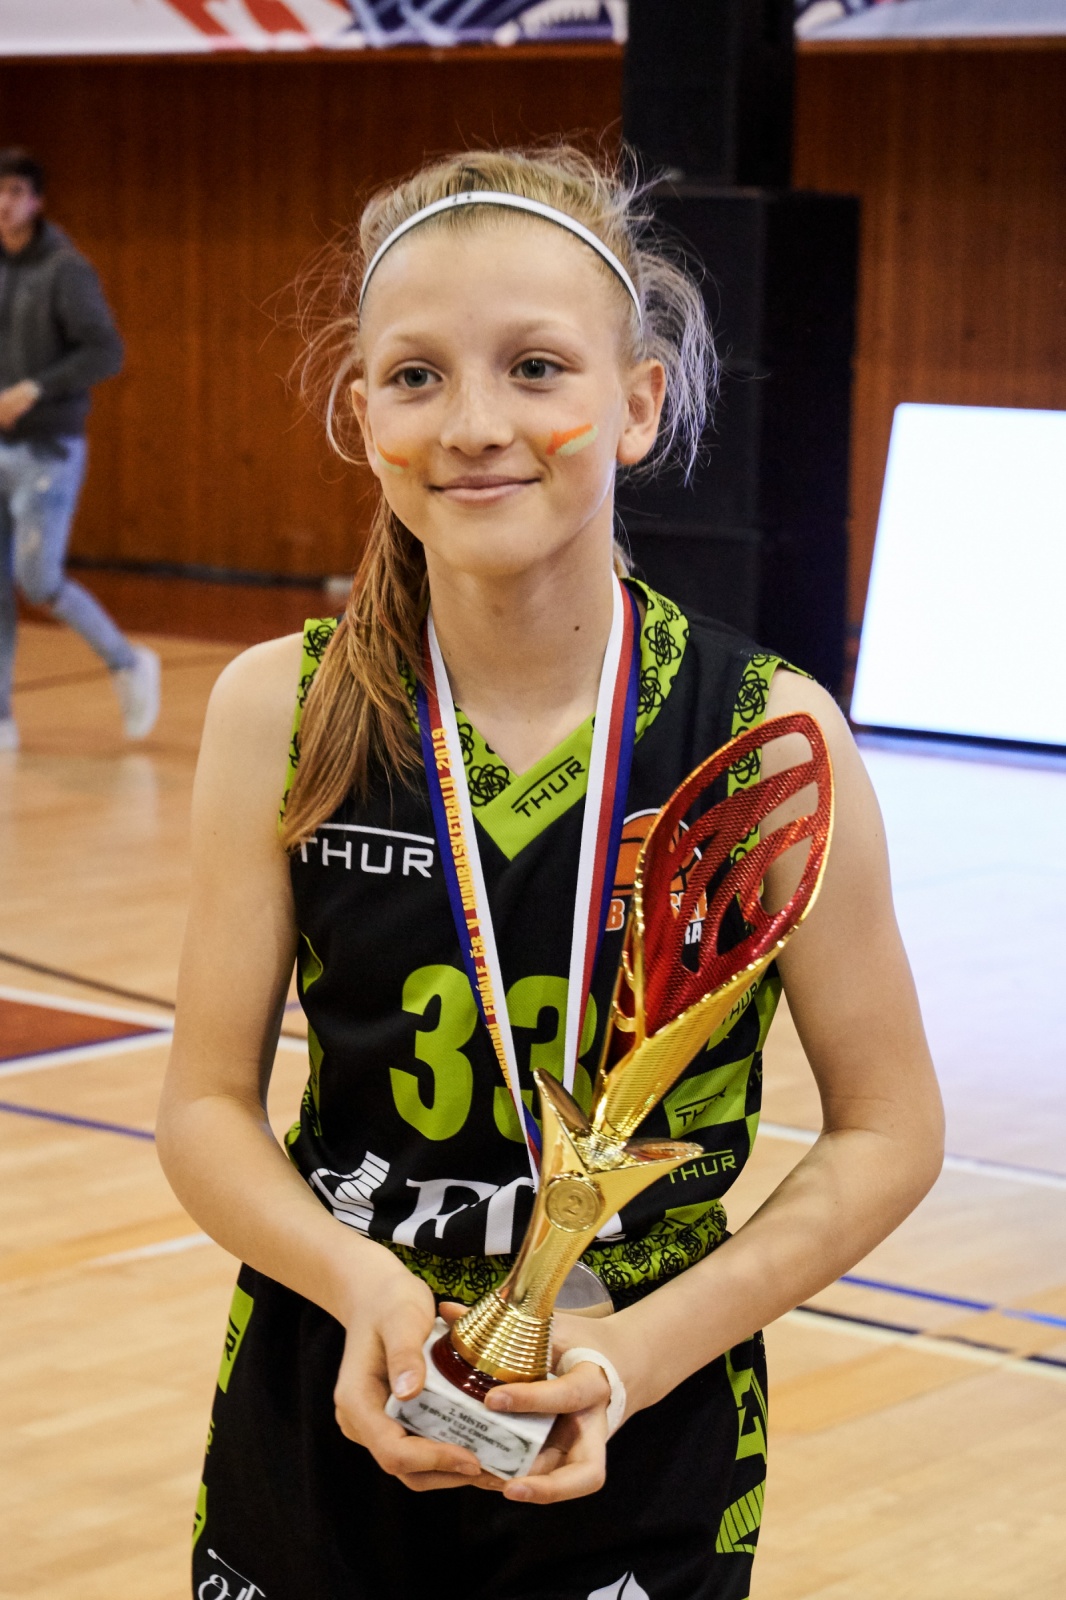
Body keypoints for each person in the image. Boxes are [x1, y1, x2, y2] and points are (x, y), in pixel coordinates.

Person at [158, 147, 943, 1600]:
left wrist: (638, 1351)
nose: (474, 426)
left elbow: (889, 1130)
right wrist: (360, 1286)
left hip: (643, 1410)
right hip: (331, 1380)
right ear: (362, 415)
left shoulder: (764, 734)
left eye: (534, 368)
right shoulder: (285, 704)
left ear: (636, 404)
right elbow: (205, 1105)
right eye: (415, 377)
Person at [0, 147, 159, 752]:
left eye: (16, 191)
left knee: (37, 581)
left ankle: (126, 663)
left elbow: (106, 351)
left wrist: (35, 388)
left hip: (47, 449)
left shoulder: (65, 269)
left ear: (36, 201)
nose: (4, 203)